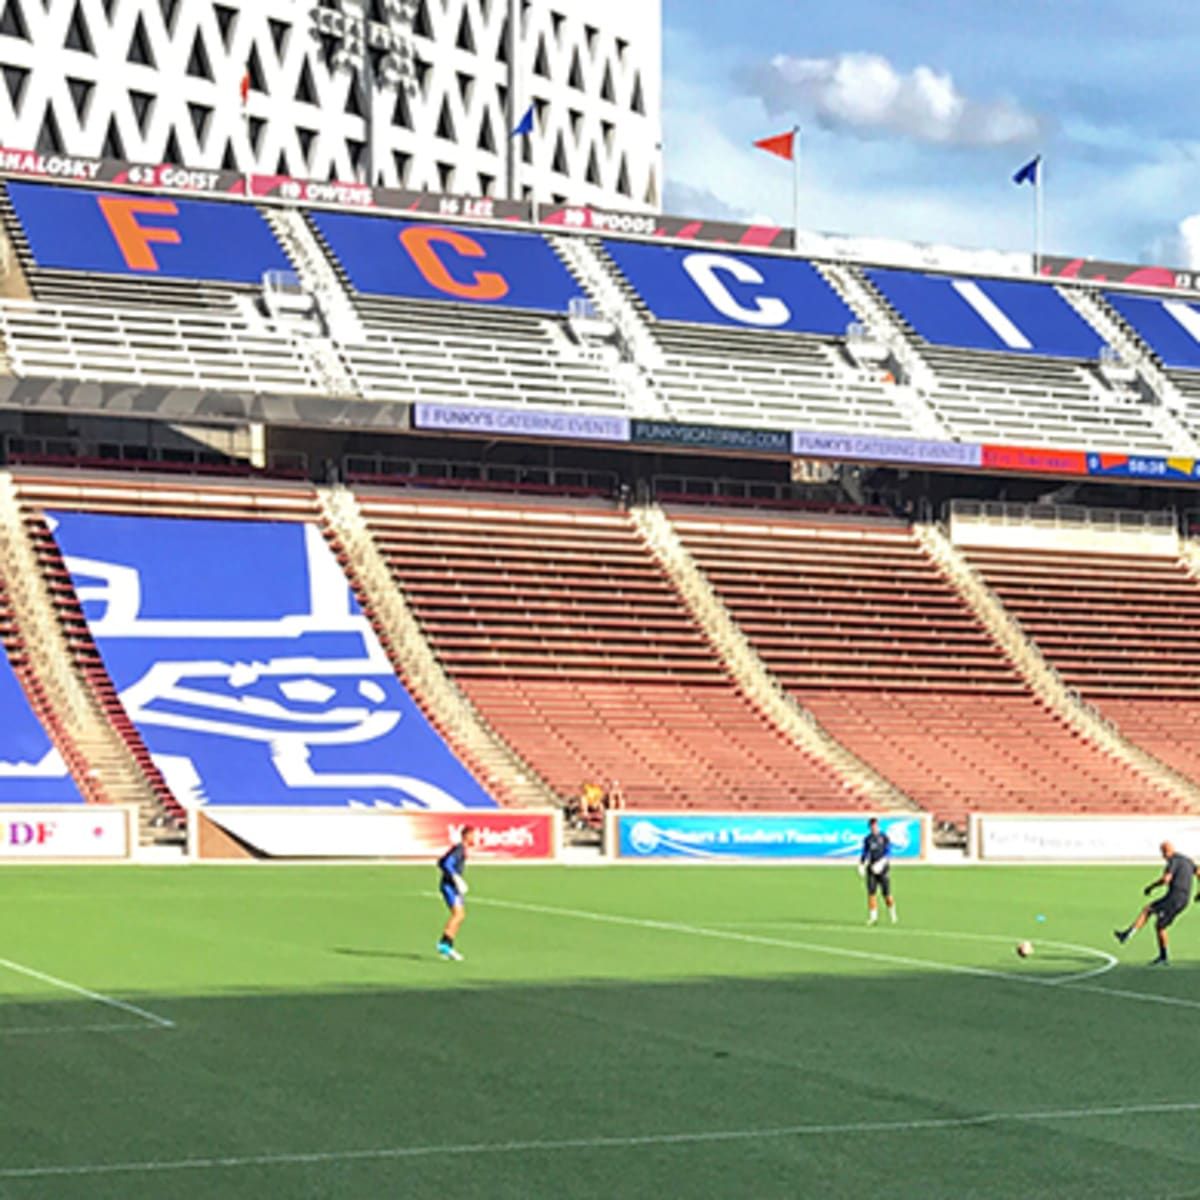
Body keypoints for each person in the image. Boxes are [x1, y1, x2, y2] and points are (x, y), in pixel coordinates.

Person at [1114, 840, 1196, 965]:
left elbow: (1166, 879)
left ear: (1165, 852)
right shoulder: (1187, 860)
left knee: (1149, 911)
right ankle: (1160, 954)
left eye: (1163, 853)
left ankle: (1129, 935)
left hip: (1174, 898)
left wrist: (1151, 887)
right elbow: (1199, 872)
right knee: (1159, 924)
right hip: (1184, 899)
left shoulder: (1173, 861)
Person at [436, 825, 476, 961]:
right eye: (473, 835)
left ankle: (447, 947)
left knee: (460, 915)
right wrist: (456, 878)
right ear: (467, 835)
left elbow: (440, 862)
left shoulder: (460, 849)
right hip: (450, 887)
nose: (474, 838)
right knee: (458, 915)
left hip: (453, 886)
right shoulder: (459, 850)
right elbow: (447, 863)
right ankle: (444, 945)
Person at [859, 817, 897, 926]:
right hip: (871, 867)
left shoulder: (884, 837)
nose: (874, 828)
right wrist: (861, 864)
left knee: (886, 894)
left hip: (883, 868)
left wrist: (882, 862)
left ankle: (892, 913)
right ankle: (873, 917)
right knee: (871, 893)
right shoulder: (868, 839)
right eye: (872, 826)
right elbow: (865, 852)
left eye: (875, 825)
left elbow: (889, 852)